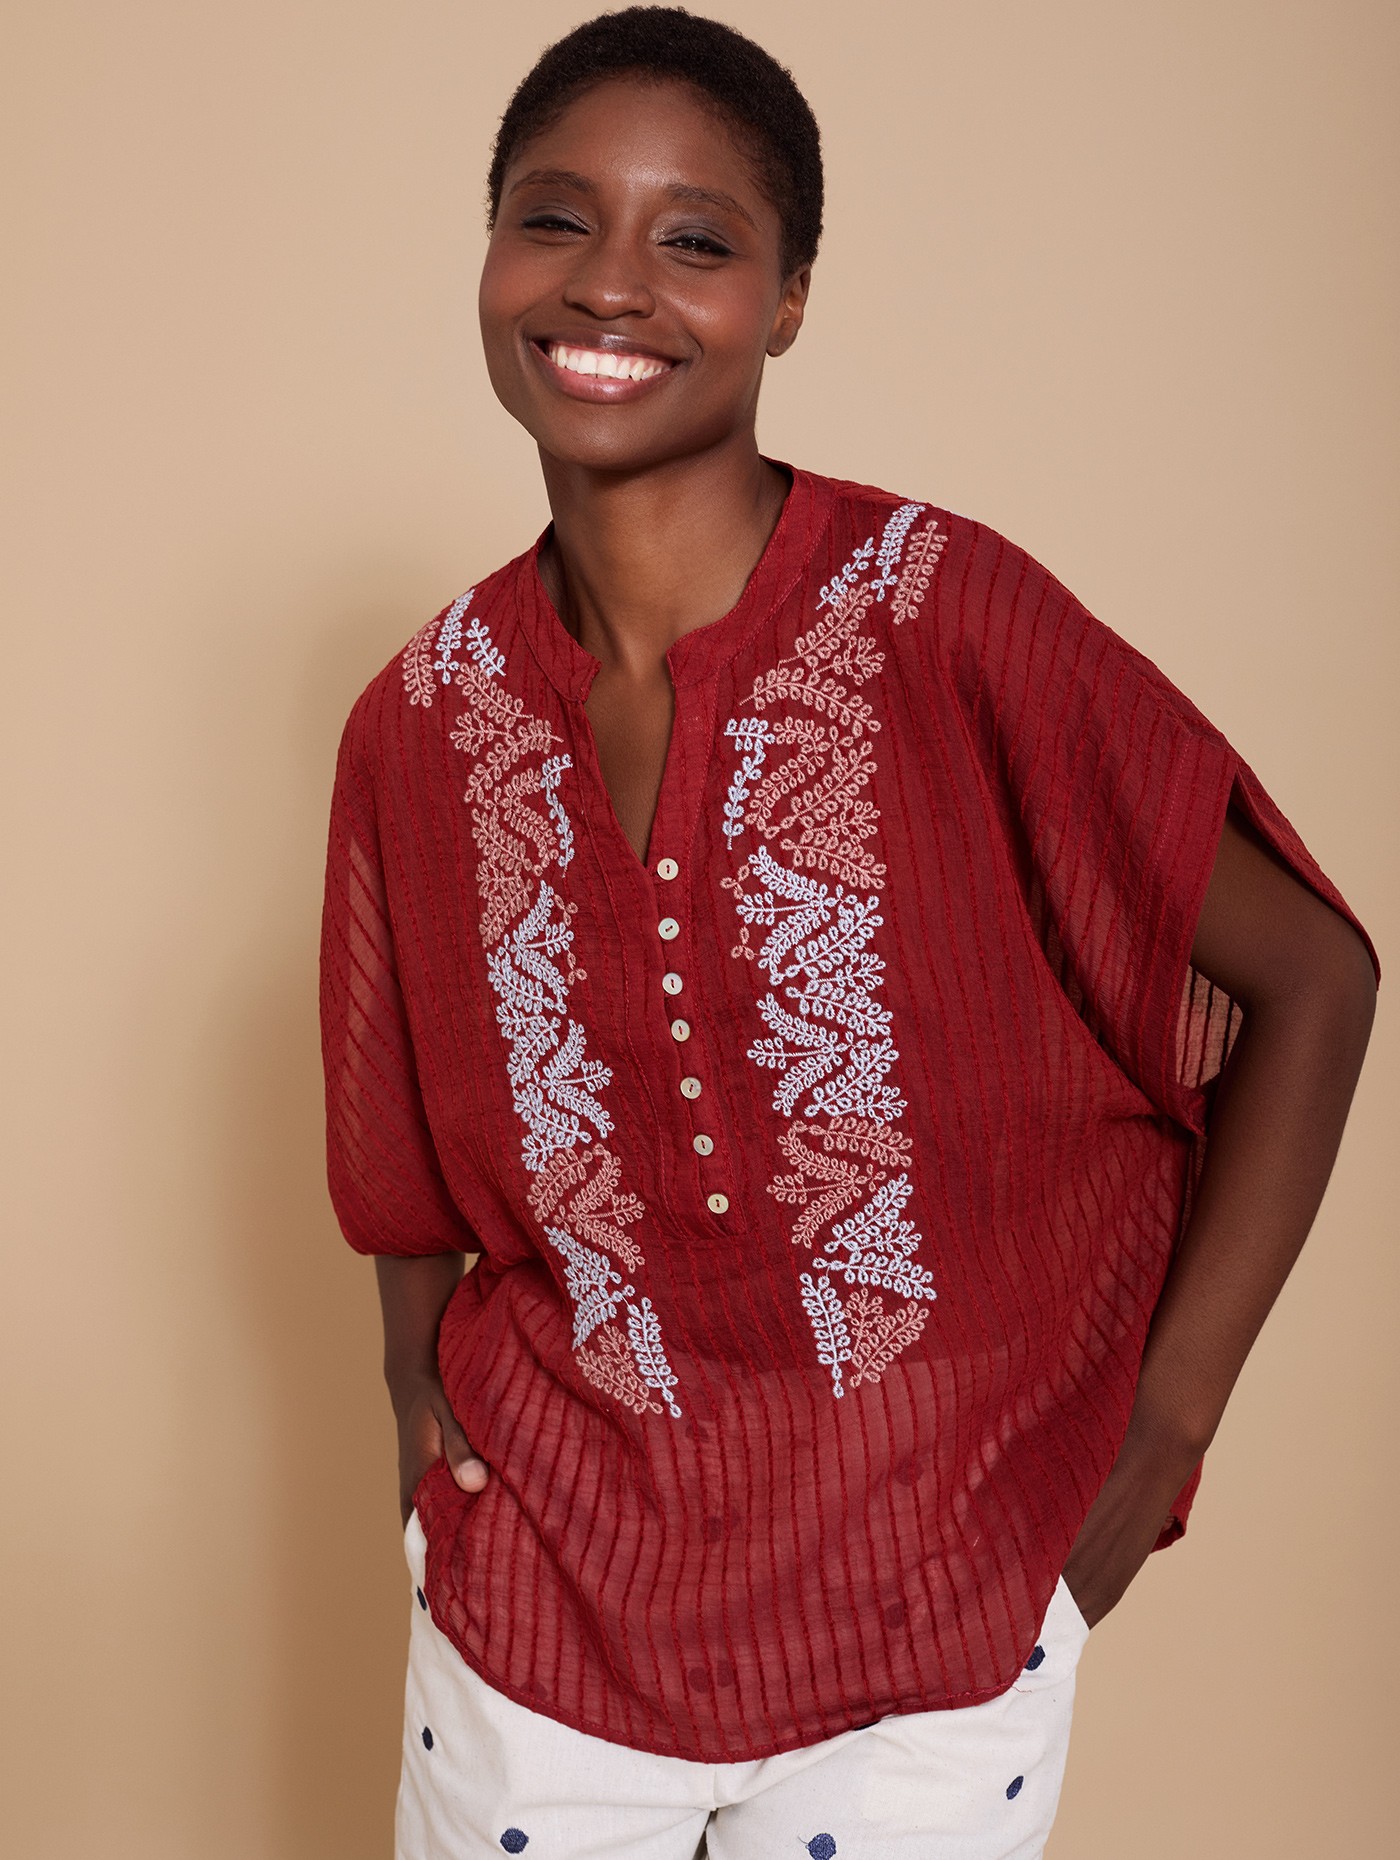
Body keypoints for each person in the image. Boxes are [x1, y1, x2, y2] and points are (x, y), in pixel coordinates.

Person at [318, 9, 1380, 1856]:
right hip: (546, 1615)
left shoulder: (942, 616)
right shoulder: (419, 718)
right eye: (554, 218)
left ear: (789, 299)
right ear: (489, 256)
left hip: (935, 1599)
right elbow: (397, 1148)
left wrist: (1163, 1433)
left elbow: (1314, 978)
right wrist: (418, 1404)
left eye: (696, 238)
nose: (611, 283)